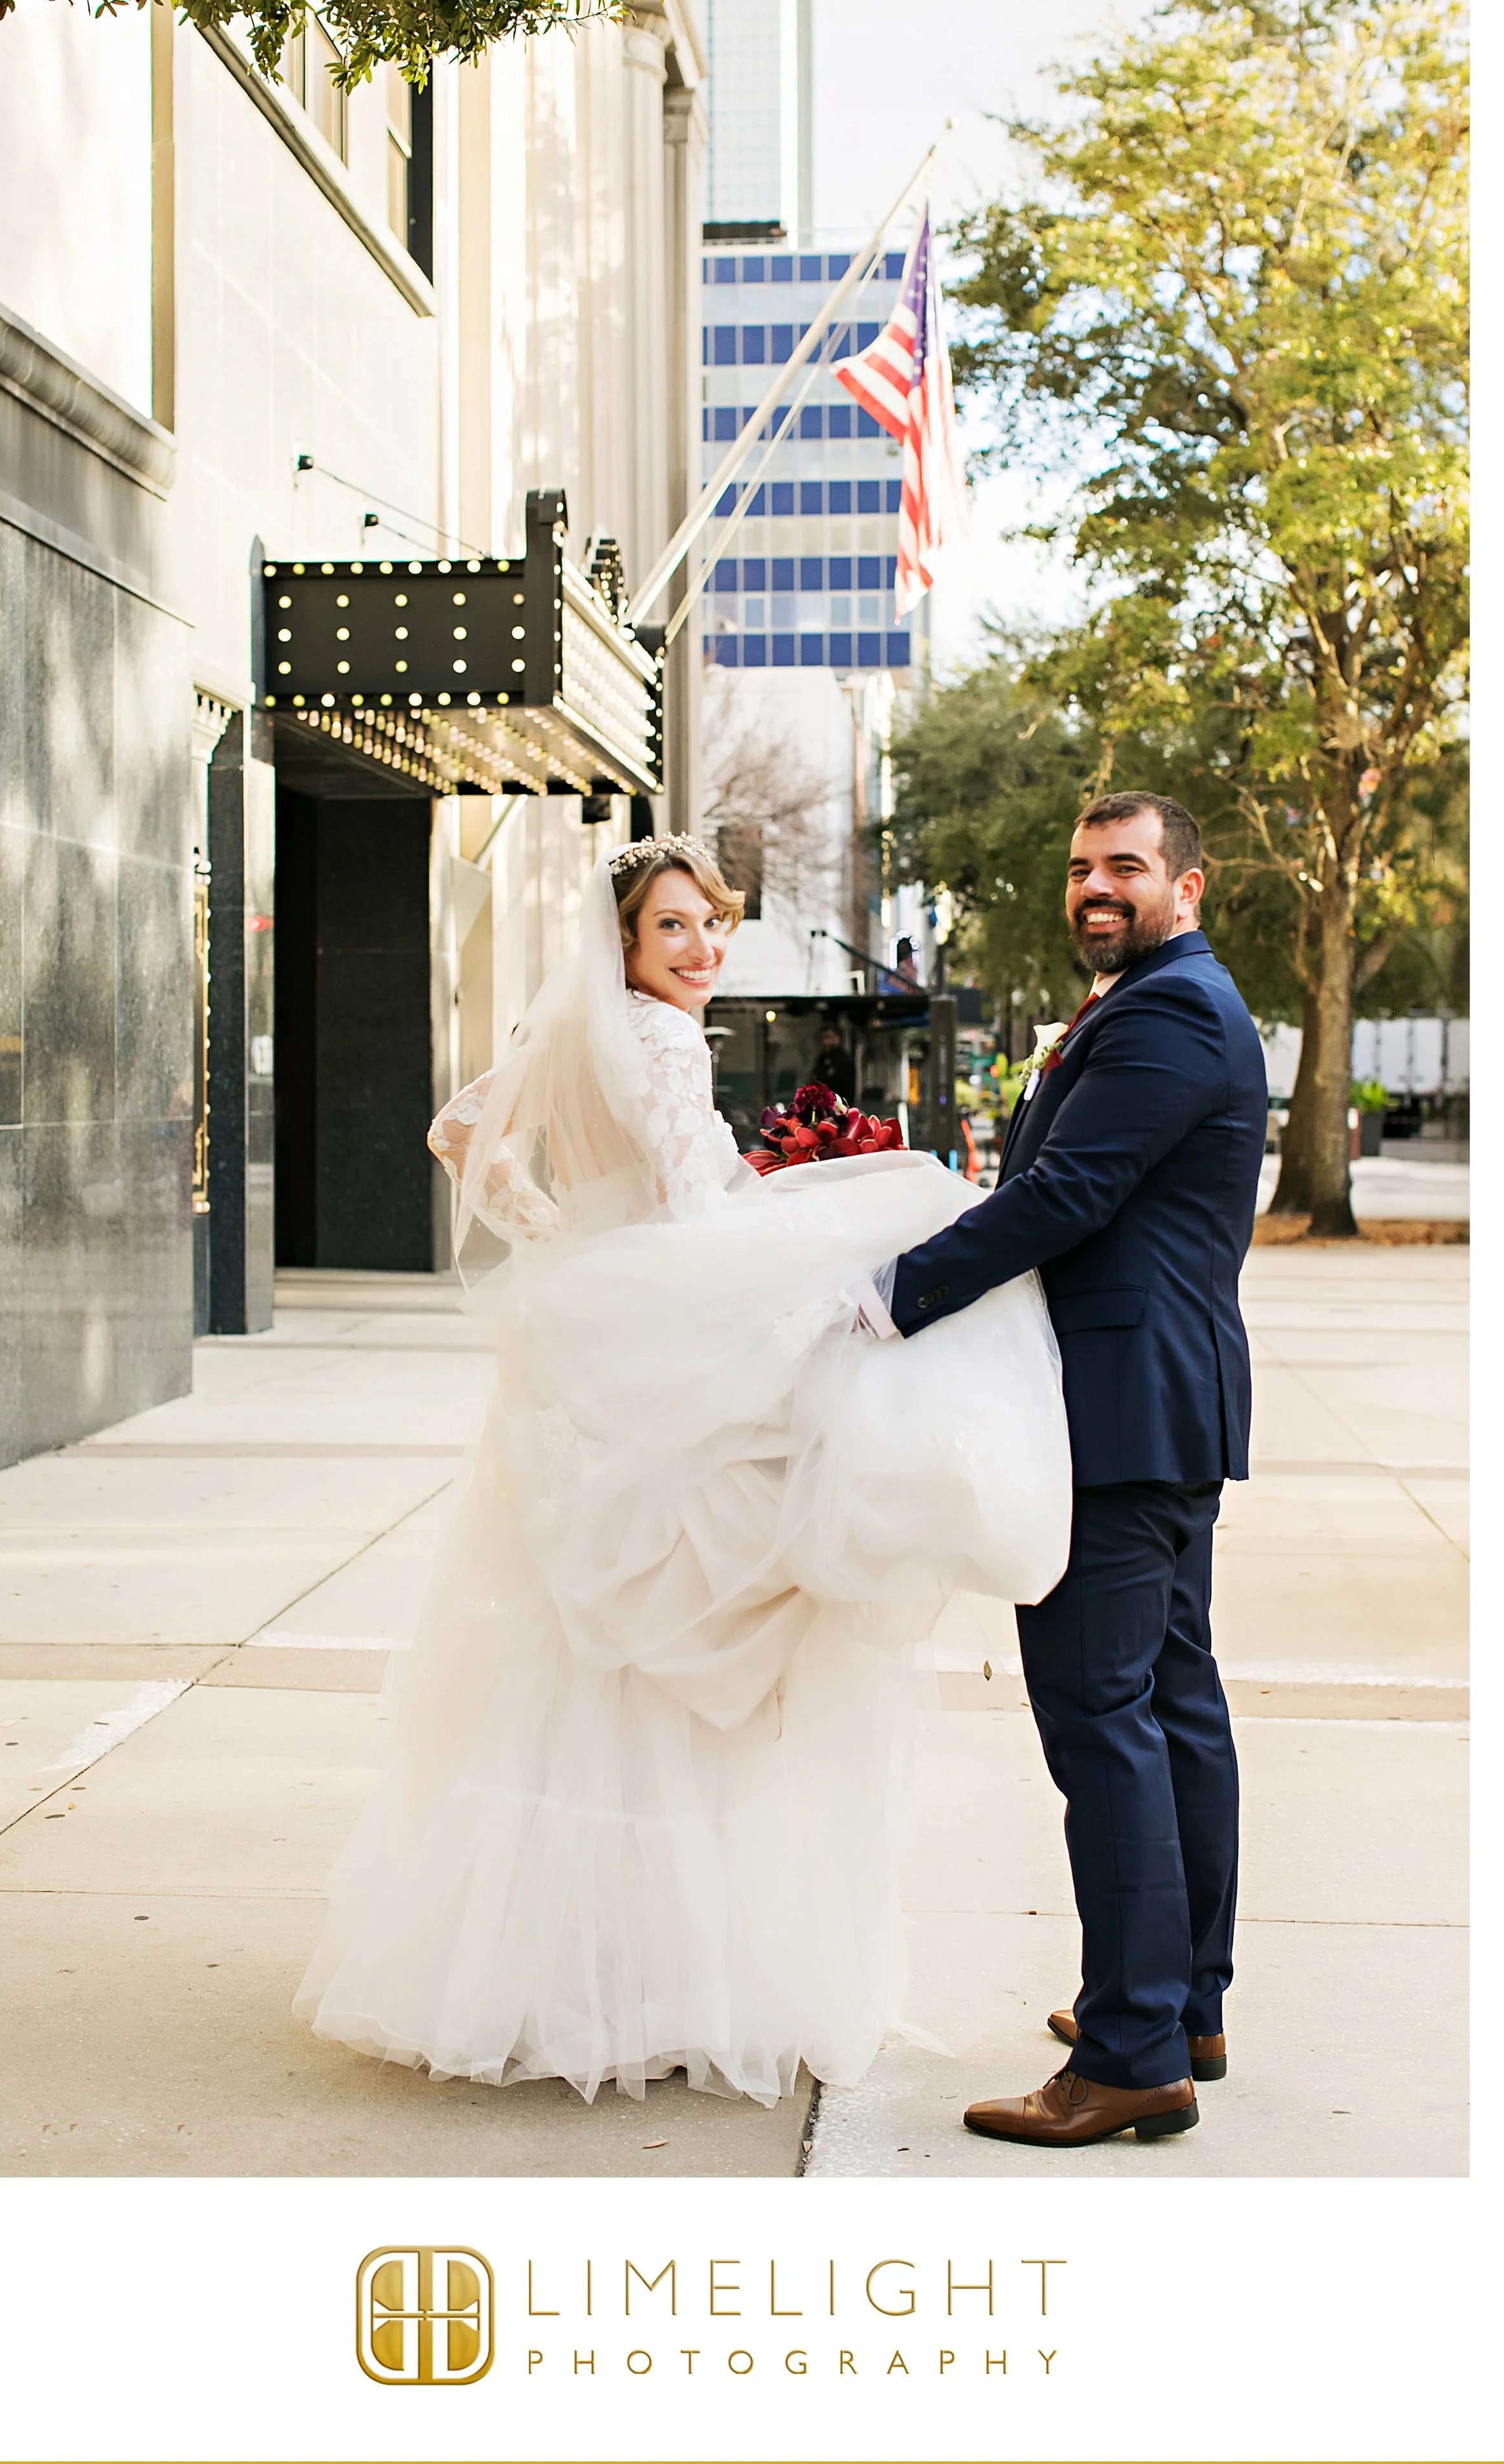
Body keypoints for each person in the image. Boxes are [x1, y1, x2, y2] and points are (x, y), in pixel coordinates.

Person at [294, 834, 1072, 2107]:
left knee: (587, 1662)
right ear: (623, 941)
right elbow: (687, 1214)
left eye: (712, 923)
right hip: (669, 1359)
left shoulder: (576, 1029)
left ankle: (553, 1974)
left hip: (602, 1353)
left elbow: (458, 1130)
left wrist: (561, 1243)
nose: (702, 948)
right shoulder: (659, 1041)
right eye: (673, 928)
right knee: (679, 1668)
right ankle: (652, 1986)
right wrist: (798, 1255)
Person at [874, 791, 1267, 2147]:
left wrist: (890, 1295)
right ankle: (1181, 2003)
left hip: (1120, 1413)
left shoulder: (1168, 1012)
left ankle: (1131, 2051)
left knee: (1102, 1719)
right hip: (1155, 1403)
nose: (1096, 885)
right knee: (1168, 1701)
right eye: (1082, 866)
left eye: (1126, 867)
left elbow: (1064, 1194)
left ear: (1186, 886)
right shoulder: (1160, 1000)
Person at [810, 1021, 854, 1095]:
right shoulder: (822, 1058)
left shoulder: (844, 1060)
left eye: (829, 1038)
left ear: (837, 1038)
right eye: (823, 1039)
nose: (826, 1042)